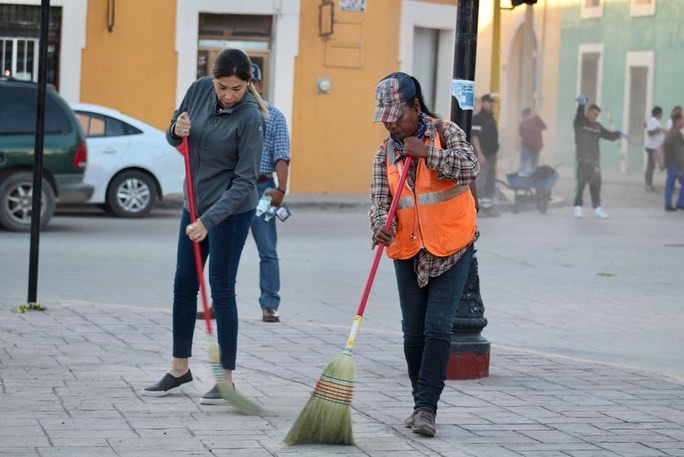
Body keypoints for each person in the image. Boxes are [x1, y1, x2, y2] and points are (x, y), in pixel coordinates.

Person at [143, 49, 266, 405]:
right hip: (193, 205)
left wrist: (207, 222)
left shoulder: (251, 118)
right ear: (211, 79)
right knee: (184, 284)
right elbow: (174, 132)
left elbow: (246, 183)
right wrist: (175, 129)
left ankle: (225, 379)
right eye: (222, 86)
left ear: (249, 84)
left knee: (221, 289)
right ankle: (179, 369)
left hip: (229, 213)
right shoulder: (198, 90)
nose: (229, 95)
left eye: (237, 88)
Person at [369, 72, 479, 438]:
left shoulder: (447, 132)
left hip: (451, 246)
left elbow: (469, 168)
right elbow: (379, 201)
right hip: (408, 248)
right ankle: (420, 403)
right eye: (385, 118)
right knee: (412, 332)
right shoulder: (384, 152)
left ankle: (427, 408)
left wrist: (427, 153)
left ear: (416, 107)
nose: (391, 125)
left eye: (397, 116)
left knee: (437, 328)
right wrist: (379, 226)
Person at [197, 63, 291, 323]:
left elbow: (282, 155)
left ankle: (270, 305)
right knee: (221, 249)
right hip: (229, 189)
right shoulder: (224, 113)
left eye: (249, 85)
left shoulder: (274, 116)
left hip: (261, 189)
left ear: (258, 85)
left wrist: (280, 189)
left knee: (267, 249)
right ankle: (219, 302)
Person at [572, 95, 623, 219]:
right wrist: (581, 105)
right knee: (580, 186)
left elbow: (609, 135)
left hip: (594, 162)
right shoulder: (580, 124)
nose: (595, 117)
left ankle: (597, 208)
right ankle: (577, 208)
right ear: (588, 112)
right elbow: (579, 116)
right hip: (581, 161)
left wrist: (619, 134)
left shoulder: (597, 127)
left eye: (597, 115)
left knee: (596, 186)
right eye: (594, 114)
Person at [471, 94, 499, 213]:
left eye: (492, 102)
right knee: (480, 182)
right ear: (483, 103)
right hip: (483, 155)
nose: (491, 104)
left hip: (491, 154)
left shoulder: (491, 118)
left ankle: (488, 208)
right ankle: (478, 209)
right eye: (489, 102)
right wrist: (480, 154)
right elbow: (475, 137)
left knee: (490, 181)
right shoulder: (478, 118)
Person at [662, 113, 684, 211]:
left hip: (669, 163)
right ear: (677, 121)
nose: (683, 122)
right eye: (682, 120)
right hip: (676, 164)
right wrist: (682, 167)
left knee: (669, 184)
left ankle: (668, 205)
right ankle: (681, 203)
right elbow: (679, 152)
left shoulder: (669, 133)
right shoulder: (677, 134)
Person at [518, 107, 547, 174]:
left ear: (523, 115)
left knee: (523, 161)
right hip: (537, 145)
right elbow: (544, 127)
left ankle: (521, 177)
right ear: (530, 113)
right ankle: (533, 179)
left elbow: (520, 134)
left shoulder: (522, 122)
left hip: (526, 144)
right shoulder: (537, 119)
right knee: (534, 163)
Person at [643, 106, 665, 192]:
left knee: (651, 166)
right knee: (650, 166)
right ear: (658, 113)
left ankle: (649, 184)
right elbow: (650, 133)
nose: (662, 115)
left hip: (654, 147)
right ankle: (649, 185)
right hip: (652, 147)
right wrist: (659, 129)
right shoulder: (653, 120)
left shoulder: (653, 120)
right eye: (661, 113)